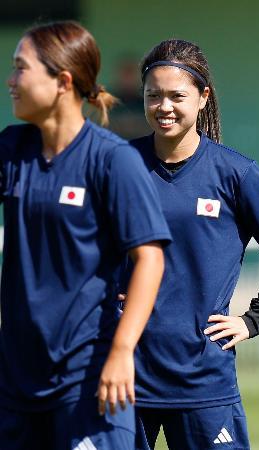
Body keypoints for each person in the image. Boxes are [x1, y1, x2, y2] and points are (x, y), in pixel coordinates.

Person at [125, 39, 259, 450]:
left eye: (177, 95)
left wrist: (253, 320)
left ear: (203, 97)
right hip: (125, 376)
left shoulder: (235, 173)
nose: (163, 106)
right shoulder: (120, 166)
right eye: (153, 95)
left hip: (203, 379)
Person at [0, 21, 171, 450]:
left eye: (21, 69)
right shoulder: (12, 148)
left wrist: (121, 352)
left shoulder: (112, 160)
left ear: (62, 81)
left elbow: (150, 258)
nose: (11, 81)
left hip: (89, 377)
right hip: (16, 379)